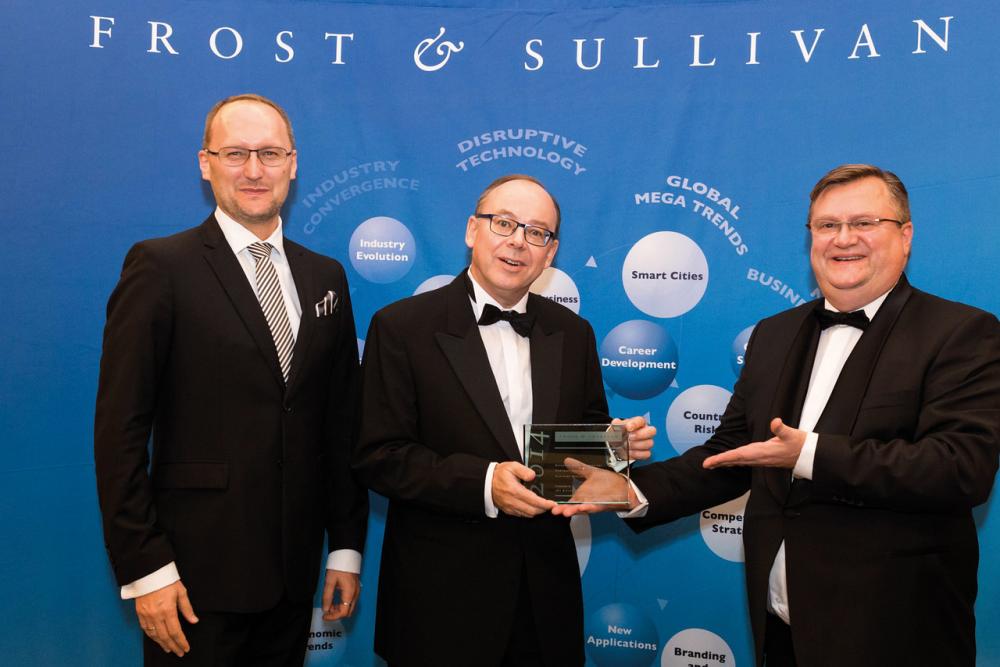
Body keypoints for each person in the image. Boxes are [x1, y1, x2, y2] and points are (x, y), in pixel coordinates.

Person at [559, 163, 1000, 667]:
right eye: (827, 225)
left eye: (863, 223)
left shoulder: (961, 332)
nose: (843, 239)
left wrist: (808, 454)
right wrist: (631, 491)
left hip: (897, 633)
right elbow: (729, 454)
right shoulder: (774, 334)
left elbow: (960, 468)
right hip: (783, 630)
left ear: (905, 236)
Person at [94, 93, 369, 665]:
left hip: (292, 577)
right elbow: (119, 432)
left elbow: (340, 423)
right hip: (191, 580)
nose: (253, 170)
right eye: (235, 153)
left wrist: (345, 546)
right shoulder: (160, 267)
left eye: (269, 153)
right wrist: (147, 568)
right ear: (206, 163)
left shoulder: (326, 277)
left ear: (292, 163)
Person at [353, 174, 656, 666]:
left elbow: (576, 453)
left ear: (550, 253)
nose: (518, 241)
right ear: (473, 230)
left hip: (545, 601)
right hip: (439, 603)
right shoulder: (402, 327)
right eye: (504, 223)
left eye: (537, 232)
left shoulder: (573, 333)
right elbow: (379, 455)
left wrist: (613, 448)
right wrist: (485, 483)